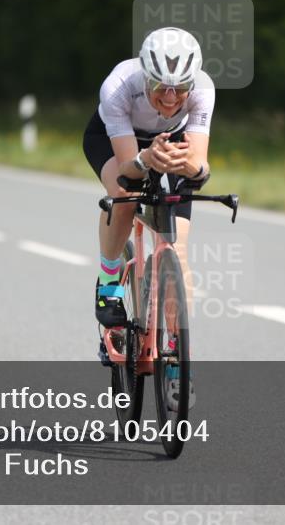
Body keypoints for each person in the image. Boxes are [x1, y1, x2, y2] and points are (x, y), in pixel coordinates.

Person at [82, 27, 214, 409]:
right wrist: (144, 160)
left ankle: (176, 361)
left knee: (178, 250)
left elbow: (199, 163)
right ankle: (109, 278)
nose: (171, 98)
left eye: (180, 87)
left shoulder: (203, 89)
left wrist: (192, 167)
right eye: (161, 86)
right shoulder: (119, 86)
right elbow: (126, 170)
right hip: (116, 144)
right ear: (146, 75)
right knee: (123, 196)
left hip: (169, 146)